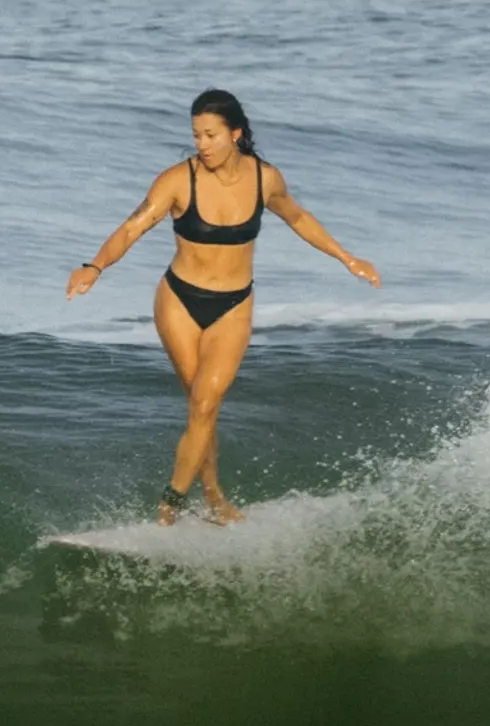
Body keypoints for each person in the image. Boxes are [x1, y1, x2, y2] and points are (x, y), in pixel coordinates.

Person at [64, 89, 381, 524]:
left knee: (205, 405)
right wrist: (95, 266)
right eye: (196, 135)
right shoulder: (178, 181)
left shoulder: (265, 179)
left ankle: (180, 502)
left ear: (235, 133)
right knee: (200, 405)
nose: (202, 144)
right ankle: (194, 503)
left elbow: (298, 217)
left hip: (234, 305)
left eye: (210, 135)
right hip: (179, 301)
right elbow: (131, 228)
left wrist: (348, 258)